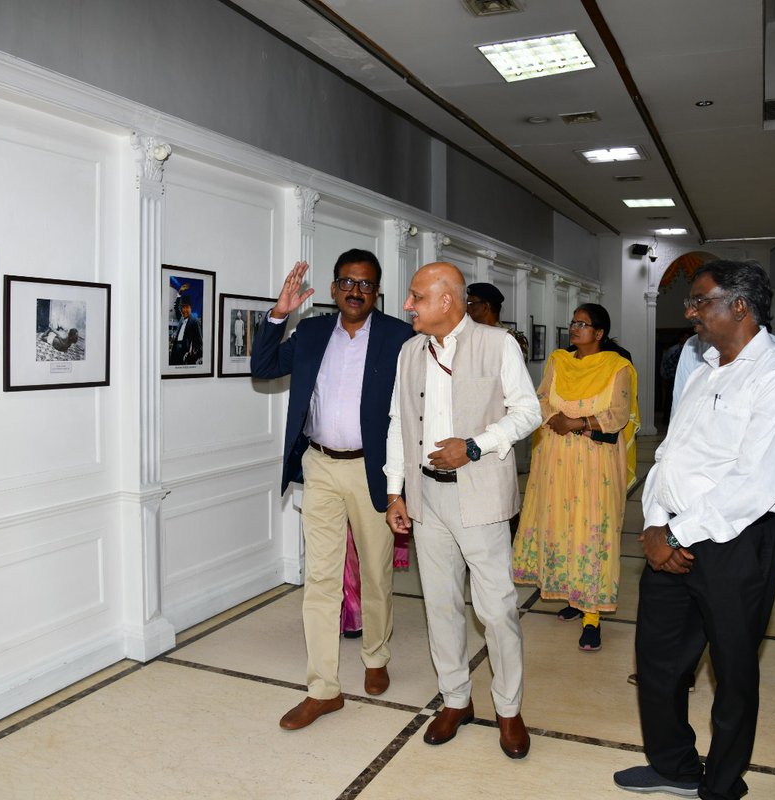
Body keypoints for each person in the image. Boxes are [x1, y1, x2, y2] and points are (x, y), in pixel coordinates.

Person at [614, 260, 775, 800]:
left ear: (740, 306)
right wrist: (657, 524)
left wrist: (678, 534)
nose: (690, 312)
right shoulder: (703, 369)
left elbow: (758, 480)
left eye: (701, 301)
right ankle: (674, 765)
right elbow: (670, 456)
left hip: (736, 544)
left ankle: (722, 784)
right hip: (671, 536)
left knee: (732, 670)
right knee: (658, 662)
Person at [251, 250, 413, 730]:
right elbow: (262, 367)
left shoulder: (399, 338)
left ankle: (376, 655)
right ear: (332, 288)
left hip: (375, 473)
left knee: (376, 574)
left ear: (376, 291)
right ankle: (323, 688)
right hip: (319, 465)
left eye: (365, 283)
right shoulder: (313, 332)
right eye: (346, 281)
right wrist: (279, 312)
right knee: (320, 579)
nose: (355, 290)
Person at [385, 262, 541, 759]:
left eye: (416, 297)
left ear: (447, 301)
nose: (407, 305)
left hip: (480, 495)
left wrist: (473, 446)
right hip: (426, 497)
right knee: (441, 605)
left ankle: (509, 710)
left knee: (496, 611)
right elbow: (397, 422)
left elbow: (528, 412)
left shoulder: (498, 345)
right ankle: (456, 699)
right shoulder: (410, 352)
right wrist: (395, 492)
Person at [512, 303, 639, 652]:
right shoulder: (558, 360)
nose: (575, 328)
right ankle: (573, 596)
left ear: (599, 333)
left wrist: (577, 423)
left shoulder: (618, 367)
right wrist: (556, 417)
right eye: (573, 322)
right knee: (563, 526)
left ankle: (592, 617)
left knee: (593, 532)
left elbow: (618, 415)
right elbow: (540, 398)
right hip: (555, 459)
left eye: (584, 324)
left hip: (595, 464)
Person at [466, 281, 529, 361]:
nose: (466, 308)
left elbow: (514, 370)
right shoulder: (469, 335)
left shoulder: (512, 338)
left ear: (486, 306)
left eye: (471, 303)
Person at [169, 297, 202, 365]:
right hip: (175, 352)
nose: (184, 310)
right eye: (183, 308)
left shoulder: (194, 322)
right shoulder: (181, 319)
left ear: (190, 308)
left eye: (187, 307)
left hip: (185, 354)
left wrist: (192, 355)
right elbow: (176, 307)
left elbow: (199, 343)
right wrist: (179, 293)